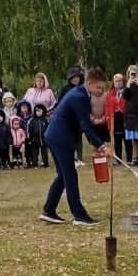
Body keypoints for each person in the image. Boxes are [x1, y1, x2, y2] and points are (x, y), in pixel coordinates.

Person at [40, 67, 109, 226]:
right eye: (98, 87)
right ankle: (80, 216)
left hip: (54, 136)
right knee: (70, 176)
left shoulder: (81, 93)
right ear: (90, 83)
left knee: (63, 176)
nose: (100, 91)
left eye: (102, 88)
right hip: (60, 138)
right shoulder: (79, 97)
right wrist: (102, 146)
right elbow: (85, 125)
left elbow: (84, 121)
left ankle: (49, 211)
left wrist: (98, 142)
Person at [58, 66, 85, 166]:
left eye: (77, 77)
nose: (75, 79)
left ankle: (80, 158)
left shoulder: (83, 88)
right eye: (73, 77)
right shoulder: (65, 89)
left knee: (79, 138)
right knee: (70, 138)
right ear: (70, 79)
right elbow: (60, 103)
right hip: (69, 117)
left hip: (79, 117)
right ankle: (72, 158)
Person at [105, 73, 129, 164]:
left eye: (119, 81)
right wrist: (107, 116)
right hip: (115, 118)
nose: (118, 83)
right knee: (117, 139)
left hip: (125, 117)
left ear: (123, 82)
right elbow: (107, 106)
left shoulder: (127, 92)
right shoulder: (110, 93)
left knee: (127, 139)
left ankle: (129, 159)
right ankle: (118, 159)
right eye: (116, 81)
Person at [27, 103, 49, 168]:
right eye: (37, 111)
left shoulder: (45, 120)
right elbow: (30, 130)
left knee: (44, 152)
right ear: (35, 112)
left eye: (40, 111)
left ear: (43, 112)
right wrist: (30, 139)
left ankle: (45, 163)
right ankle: (35, 164)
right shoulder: (32, 120)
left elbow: (48, 129)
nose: (38, 113)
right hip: (35, 140)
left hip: (43, 139)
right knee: (35, 152)